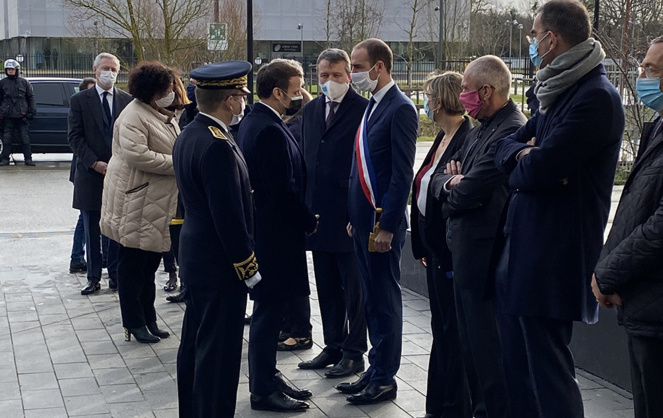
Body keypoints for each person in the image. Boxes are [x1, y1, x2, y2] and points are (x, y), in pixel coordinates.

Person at [493, 1, 624, 416]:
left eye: (534, 34)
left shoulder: (594, 97)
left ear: (552, 38)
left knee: (549, 371)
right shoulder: (556, 90)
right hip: (527, 248)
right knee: (523, 365)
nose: (532, 43)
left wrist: (528, 161)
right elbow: (507, 149)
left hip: (553, 255)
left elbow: (539, 170)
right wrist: (523, 156)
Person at [429, 57, 525, 418]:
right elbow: (443, 178)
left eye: (467, 89)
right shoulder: (481, 126)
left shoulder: (510, 129)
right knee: (469, 350)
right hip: (464, 253)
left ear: (485, 91)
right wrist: (452, 183)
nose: (462, 97)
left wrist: (454, 184)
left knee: (488, 357)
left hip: (485, 261)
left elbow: (468, 191)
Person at [174, 61, 261, 418]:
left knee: (195, 345)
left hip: (197, 258)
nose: (242, 103)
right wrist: (248, 267)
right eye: (240, 96)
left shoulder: (191, 133)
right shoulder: (218, 146)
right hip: (220, 267)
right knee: (219, 353)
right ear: (229, 100)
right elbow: (228, 217)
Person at [338, 38, 418, 405]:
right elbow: (361, 167)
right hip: (364, 221)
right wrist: (357, 216)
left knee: (385, 299)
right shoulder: (373, 106)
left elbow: (401, 174)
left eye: (357, 66)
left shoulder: (400, 108)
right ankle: (375, 366)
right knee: (370, 298)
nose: (353, 73)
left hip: (382, 225)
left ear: (379, 67)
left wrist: (385, 224)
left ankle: (386, 376)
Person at [238, 58, 317, 412]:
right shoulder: (266, 128)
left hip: (273, 234)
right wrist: (308, 220)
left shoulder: (260, 120)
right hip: (275, 236)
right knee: (269, 314)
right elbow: (281, 188)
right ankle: (262, 388)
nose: (299, 95)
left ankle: (268, 377)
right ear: (277, 92)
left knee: (271, 312)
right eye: (296, 89)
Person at [592, 36, 663, 418]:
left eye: (651, 69)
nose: (641, 76)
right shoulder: (656, 128)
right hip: (643, 306)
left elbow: (658, 227)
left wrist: (607, 272)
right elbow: (634, 207)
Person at [297, 48, 368, 377]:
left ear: (348, 75)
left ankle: (354, 351)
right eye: (323, 76)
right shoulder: (310, 109)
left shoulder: (363, 109)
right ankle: (333, 344)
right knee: (326, 284)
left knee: (353, 287)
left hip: (348, 213)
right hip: (318, 214)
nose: (329, 81)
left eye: (336, 75)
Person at [99, 61, 179, 344]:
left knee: (148, 265)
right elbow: (138, 156)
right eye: (168, 87)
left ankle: (148, 318)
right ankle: (133, 322)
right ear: (154, 90)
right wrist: (177, 163)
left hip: (153, 202)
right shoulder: (133, 115)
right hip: (135, 200)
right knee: (133, 267)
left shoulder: (157, 112)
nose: (172, 92)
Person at [410, 71, 473, 418]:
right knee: (441, 327)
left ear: (441, 100)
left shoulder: (466, 138)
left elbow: (455, 193)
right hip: (432, 249)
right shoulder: (441, 139)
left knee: (452, 329)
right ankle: (439, 404)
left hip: (450, 251)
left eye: (429, 96)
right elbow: (424, 186)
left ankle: (453, 406)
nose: (426, 102)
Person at [68, 53, 133, 295]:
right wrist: (94, 163)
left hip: (119, 175)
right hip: (90, 174)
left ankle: (115, 275)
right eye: (105, 68)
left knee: (116, 228)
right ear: (95, 70)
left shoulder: (127, 100)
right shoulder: (80, 101)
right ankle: (93, 277)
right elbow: (75, 136)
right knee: (92, 227)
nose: (110, 73)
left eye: (114, 69)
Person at [275, 88, 315, 352]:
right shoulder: (285, 123)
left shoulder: (299, 125)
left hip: (294, 212)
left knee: (294, 275)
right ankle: (289, 325)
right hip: (289, 215)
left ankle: (299, 329)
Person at [68, 77, 98, 274]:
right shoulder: (79, 103)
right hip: (85, 169)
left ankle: (81, 257)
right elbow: (75, 137)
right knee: (85, 218)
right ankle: (77, 257)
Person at [0, 59, 36, 166]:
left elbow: (31, 98)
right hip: (7, 116)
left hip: (22, 115)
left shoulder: (24, 82)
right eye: (8, 69)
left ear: (17, 70)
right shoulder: (2, 83)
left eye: (12, 69)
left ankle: (28, 159)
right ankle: (5, 159)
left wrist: (31, 112)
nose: (10, 71)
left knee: (25, 138)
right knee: (7, 139)